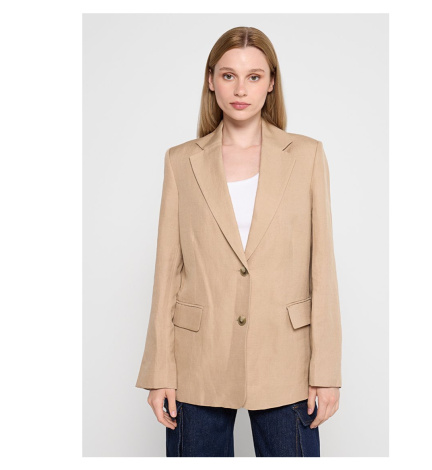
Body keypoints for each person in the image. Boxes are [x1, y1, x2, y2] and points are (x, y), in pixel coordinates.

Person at [135, 26, 342, 457]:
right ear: (211, 81)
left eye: (254, 76)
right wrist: (159, 371)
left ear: (271, 82)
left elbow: (322, 269)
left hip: (286, 359)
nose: (241, 89)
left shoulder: (306, 156)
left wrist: (326, 372)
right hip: (198, 360)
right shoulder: (181, 161)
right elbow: (167, 272)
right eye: (228, 75)